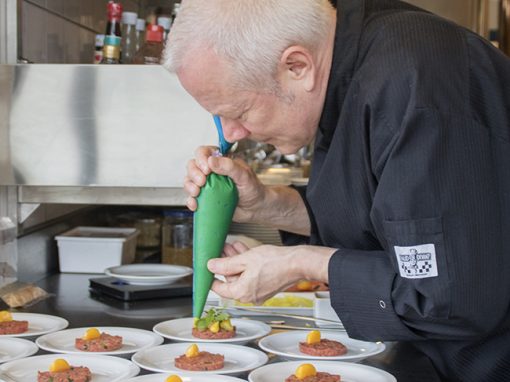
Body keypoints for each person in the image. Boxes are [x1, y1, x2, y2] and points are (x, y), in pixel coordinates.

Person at [163, 0, 510, 381]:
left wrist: (300, 262)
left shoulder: (415, 85)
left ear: (297, 66)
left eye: (240, 112)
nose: (230, 135)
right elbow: (382, 217)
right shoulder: (349, 62)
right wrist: (268, 205)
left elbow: (446, 297)